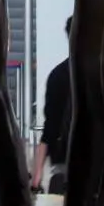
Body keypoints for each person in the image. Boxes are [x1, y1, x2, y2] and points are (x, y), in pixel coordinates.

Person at [31, 17, 72, 194]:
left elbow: (50, 128)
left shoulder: (59, 75)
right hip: (99, 171)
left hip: (63, 170)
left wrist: (37, 176)